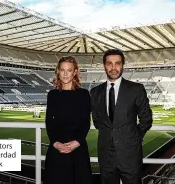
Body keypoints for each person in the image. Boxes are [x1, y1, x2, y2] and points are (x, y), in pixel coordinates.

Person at [90, 49, 153, 184]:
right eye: (109, 63)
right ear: (104, 65)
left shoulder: (136, 89)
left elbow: (146, 119)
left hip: (130, 155)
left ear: (123, 65)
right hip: (106, 157)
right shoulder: (95, 92)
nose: (113, 68)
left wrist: (133, 137)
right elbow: (97, 120)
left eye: (117, 63)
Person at [44, 56, 93, 184]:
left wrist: (76, 142)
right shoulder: (52, 95)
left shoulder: (84, 94)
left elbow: (86, 123)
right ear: (58, 71)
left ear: (75, 72)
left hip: (78, 150)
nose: (65, 74)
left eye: (69, 70)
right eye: (62, 70)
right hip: (57, 150)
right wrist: (55, 143)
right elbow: (49, 122)